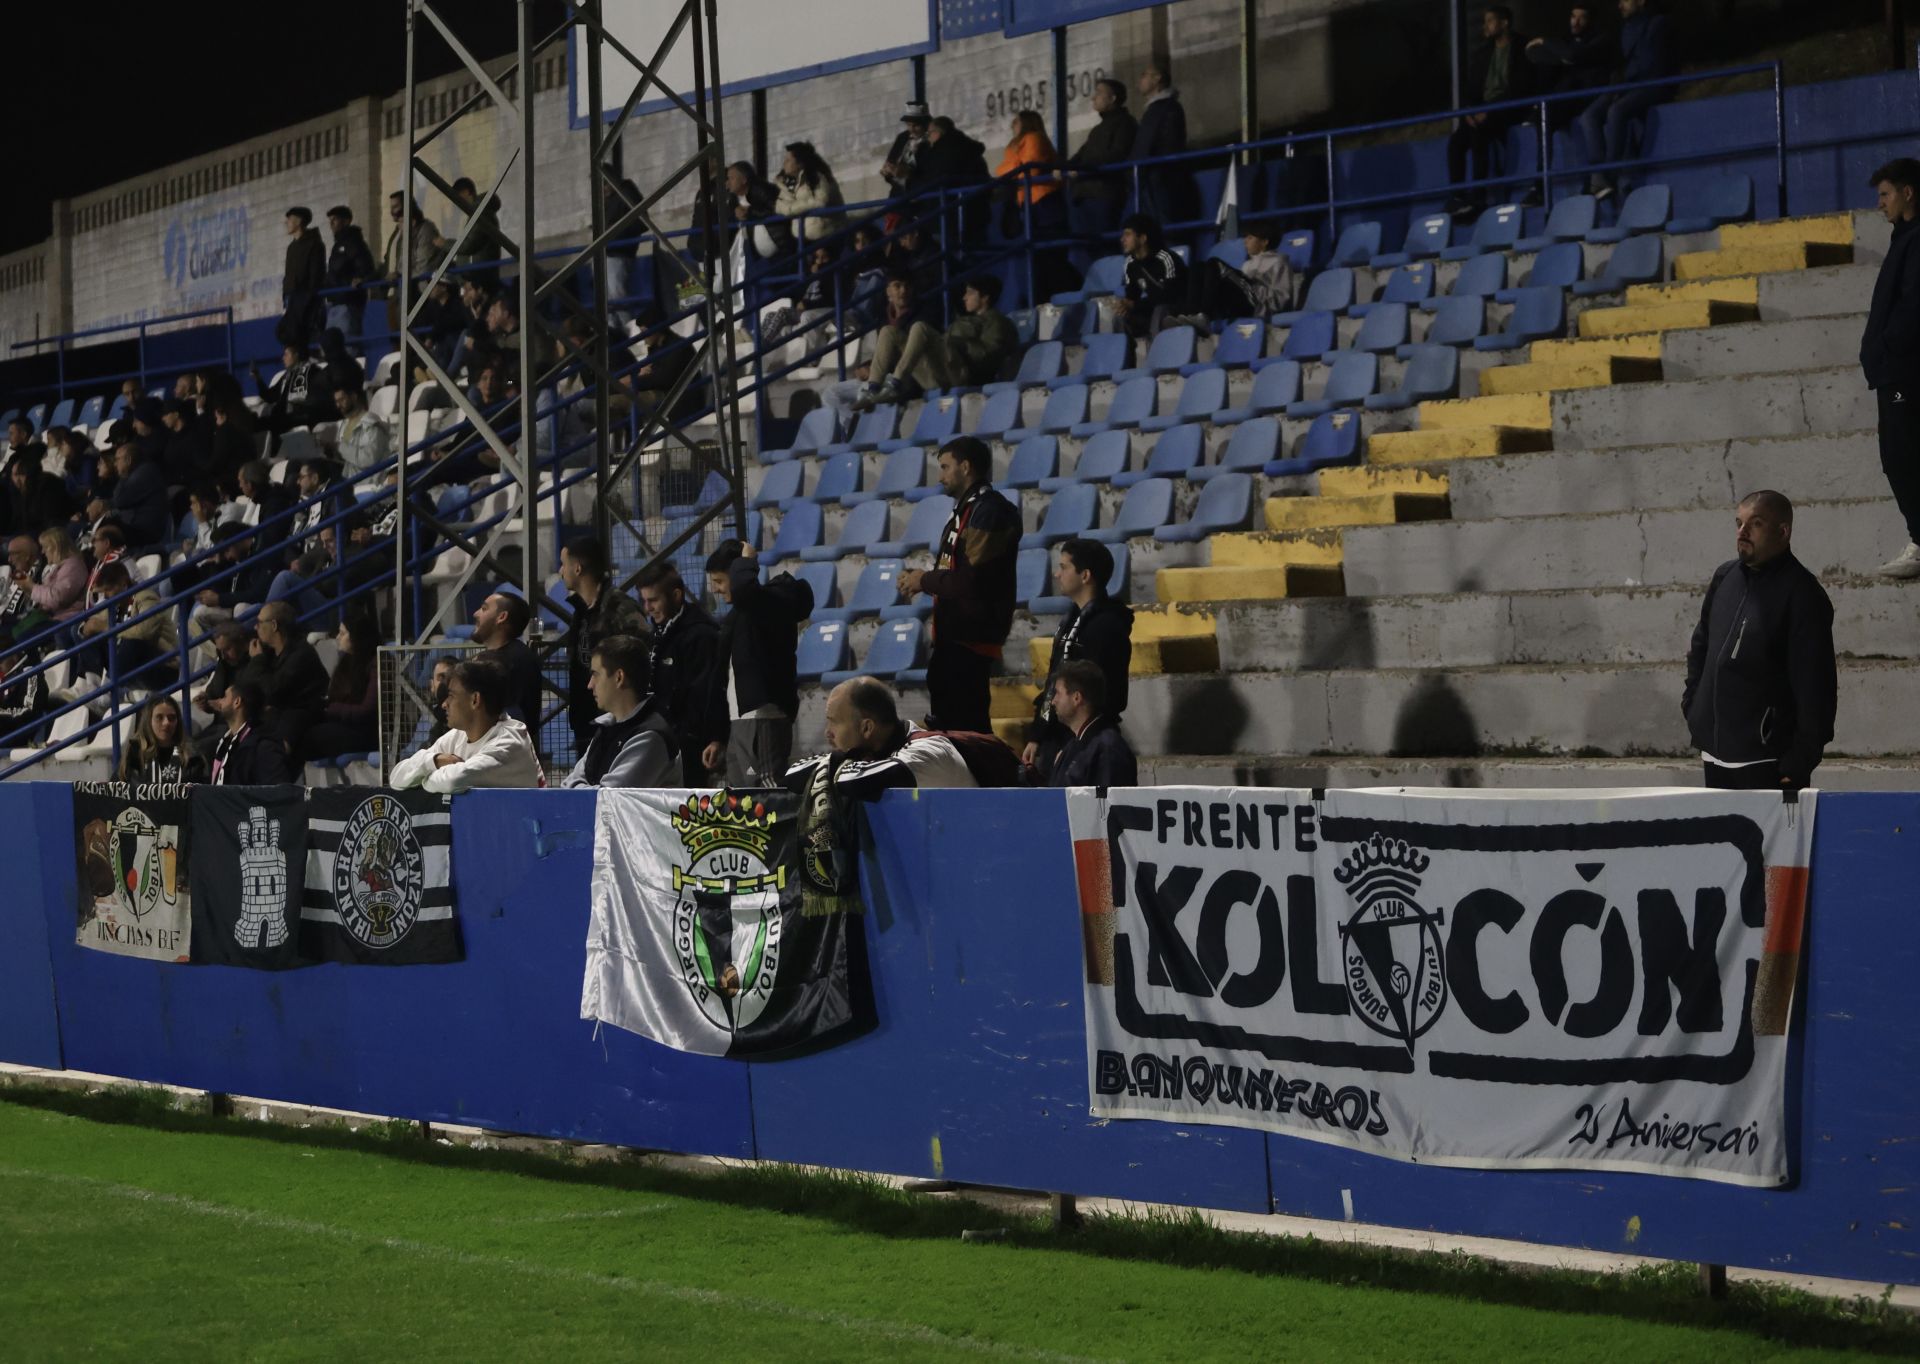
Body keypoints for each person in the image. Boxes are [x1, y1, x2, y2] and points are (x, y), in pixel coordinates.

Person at [1681, 491, 1836, 792]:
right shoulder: (1725, 576)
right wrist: (1694, 706)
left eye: (1756, 524)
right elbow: (1701, 646)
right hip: (1713, 754)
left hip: (1766, 762)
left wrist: (1799, 762)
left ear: (1782, 531)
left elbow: (1816, 688)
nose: (1742, 532)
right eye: (1739, 523)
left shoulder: (1803, 595)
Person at [898, 437, 1019, 734]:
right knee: (951, 727)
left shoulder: (989, 510)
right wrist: (922, 578)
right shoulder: (968, 509)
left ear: (965, 467)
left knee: (967, 732)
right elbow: (957, 571)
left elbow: (972, 580)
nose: (940, 476)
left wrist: (924, 580)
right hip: (955, 637)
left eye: (945, 467)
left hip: (971, 639)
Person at [702, 539, 812, 786]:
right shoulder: (738, 615)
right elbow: (723, 677)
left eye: (719, 581)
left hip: (763, 719)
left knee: (766, 796)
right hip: (739, 722)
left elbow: (744, 590)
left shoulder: (769, 601)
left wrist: (747, 561)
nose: (716, 590)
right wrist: (718, 736)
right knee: (741, 800)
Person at [1024, 538, 1134, 780]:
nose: (1056, 574)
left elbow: (1105, 691)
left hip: (1084, 738)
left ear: (1085, 576)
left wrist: (1076, 742)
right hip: (1059, 735)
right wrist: (1038, 734)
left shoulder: (1108, 626)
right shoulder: (1069, 622)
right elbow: (1053, 683)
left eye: (1063, 567)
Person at [1860, 157, 1920, 580]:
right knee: (1899, 455)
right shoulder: (1904, 238)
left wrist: (1885, 348)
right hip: (1894, 368)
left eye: (1885, 194)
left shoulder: (1917, 239)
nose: (1880, 204)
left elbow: (1914, 307)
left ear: (1907, 193)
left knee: (1901, 456)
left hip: (1905, 369)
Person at [787, 676, 982, 799]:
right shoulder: (875, 748)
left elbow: (853, 782)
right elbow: (793, 777)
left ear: (866, 728)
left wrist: (836, 762)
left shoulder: (927, 751)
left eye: (834, 722)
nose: (827, 732)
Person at [849, 274, 1016, 409]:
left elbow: (989, 355)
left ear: (985, 297)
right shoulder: (963, 320)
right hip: (940, 374)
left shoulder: (997, 322)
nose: (965, 297)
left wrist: (957, 345)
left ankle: (895, 383)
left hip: (963, 375)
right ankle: (873, 387)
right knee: (888, 332)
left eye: (970, 292)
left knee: (920, 327)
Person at [389, 658, 544, 792]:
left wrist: (422, 779)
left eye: (451, 696)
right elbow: (396, 777)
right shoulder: (457, 735)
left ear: (475, 700)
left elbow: (453, 781)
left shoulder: (510, 741)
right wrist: (435, 760)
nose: (444, 704)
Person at [1446, 6, 1538, 216]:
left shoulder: (1522, 47)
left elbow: (1521, 87)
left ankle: (1479, 197)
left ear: (1504, 23)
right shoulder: (1483, 52)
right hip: (1482, 110)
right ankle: (1457, 197)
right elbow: (1472, 88)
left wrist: (1491, 109)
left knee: (1480, 134)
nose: (1485, 26)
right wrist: (1469, 110)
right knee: (1457, 141)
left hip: (1509, 107)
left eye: (1490, 21)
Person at [1578, 0, 1675, 199]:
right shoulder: (1625, 28)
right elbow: (1623, 64)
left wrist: (1625, 87)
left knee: (1617, 110)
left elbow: (1653, 66)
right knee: (1589, 115)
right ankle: (1598, 174)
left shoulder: (1658, 23)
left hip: (1652, 85)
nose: (1620, 5)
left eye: (1625, 1)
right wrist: (1619, 85)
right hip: (1628, 85)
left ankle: (1608, 175)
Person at [637, 562, 723, 786]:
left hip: (691, 748)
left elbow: (707, 692)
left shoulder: (701, 635)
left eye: (653, 600)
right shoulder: (658, 632)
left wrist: (712, 738)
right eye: (644, 601)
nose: (648, 608)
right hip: (662, 741)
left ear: (676, 595)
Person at [559, 536, 648, 745]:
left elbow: (641, 660)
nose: (561, 571)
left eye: (563, 565)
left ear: (578, 568)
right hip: (586, 721)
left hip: (615, 723)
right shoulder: (581, 612)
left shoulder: (619, 608)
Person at [562, 633, 677, 788]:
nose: (590, 685)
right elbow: (568, 785)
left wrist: (578, 791)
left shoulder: (651, 736)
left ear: (619, 677)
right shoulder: (608, 726)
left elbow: (609, 800)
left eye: (595, 675)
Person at [300, 614, 380, 763]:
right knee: (299, 727)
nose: (337, 637)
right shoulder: (347, 661)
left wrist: (333, 709)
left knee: (312, 737)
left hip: (367, 732)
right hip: (345, 725)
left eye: (342, 633)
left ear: (357, 636)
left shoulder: (378, 663)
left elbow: (368, 710)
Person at [1046, 660, 1137, 788]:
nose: (1053, 701)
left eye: (1058, 693)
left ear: (1076, 698)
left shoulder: (1108, 747)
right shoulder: (1072, 746)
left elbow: (1106, 804)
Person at [1181, 220, 1295, 323]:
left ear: (1264, 241)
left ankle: (1204, 316)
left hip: (1257, 305)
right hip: (1243, 301)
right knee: (1199, 266)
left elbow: (1283, 298)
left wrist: (1256, 288)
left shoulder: (1279, 261)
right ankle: (1192, 314)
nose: (1245, 241)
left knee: (1214, 263)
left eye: (1250, 238)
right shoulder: (1247, 264)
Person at [254, 599, 330, 753]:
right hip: (285, 713)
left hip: (304, 713)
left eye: (260, 622)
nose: (256, 627)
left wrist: (257, 660)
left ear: (274, 626)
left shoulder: (301, 654)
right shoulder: (270, 654)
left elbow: (274, 690)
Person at [1526, 4, 1615, 129]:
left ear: (1591, 20)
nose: (1576, 22)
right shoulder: (1567, 39)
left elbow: (1571, 56)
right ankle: (1537, 111)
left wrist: (1543, 41)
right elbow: (1548, 57)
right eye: (1573, 17)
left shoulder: (1601, 40)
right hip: (1567, 96)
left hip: (1589, 96)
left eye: (1582, 18)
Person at [1069, 78, 1140, 235]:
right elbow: (1081, 155)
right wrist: (1061, 168)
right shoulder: (1098, 129)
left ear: (1113, 98)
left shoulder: (1125, 123)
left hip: (1105, 193)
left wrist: (1082, 168)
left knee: (1104, 242)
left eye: (1099, 92)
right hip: (1086, 194)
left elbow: (1117, 154)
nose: (1093, 97)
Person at [471, 589, 543, 726]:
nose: (476, 614)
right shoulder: (517, 655)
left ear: (501, 617)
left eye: (484, 609)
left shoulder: (513, 660)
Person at [1130, 63, 1190, 226]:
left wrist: (1139, 171)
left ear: (1157, 79)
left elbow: (1151, 143)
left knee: (1163, 222)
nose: (1140, 80)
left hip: (1159, 175)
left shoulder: (1164, 108)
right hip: (1153, 174)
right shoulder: (1157, 108)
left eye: (1145, 75)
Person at [1115, 213, 1188, 340]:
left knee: (1159, 311)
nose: (1122, 239)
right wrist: (1125, 304)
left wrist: (1134, 305)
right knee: (1121, 317)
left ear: (1142, 238)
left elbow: (1170, 296)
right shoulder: (1129, 264)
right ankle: (1124, 358)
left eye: (1127, 234)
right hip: (1152, 309)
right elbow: (1132, 296)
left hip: (1176, 312)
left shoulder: (1166, 259)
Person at [210, 680, 296, 786]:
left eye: (224, 696)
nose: (219, 701)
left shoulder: (263, 747)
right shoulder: (226, 743)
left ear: (237, 702)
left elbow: (278, 794)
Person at [119, 694, 206, 785]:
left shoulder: (192, 757)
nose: (166, 723)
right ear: (148, 721)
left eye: (171, 718)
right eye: (159, 717)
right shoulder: (134, 753)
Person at [278, 206, 327, 349]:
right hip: (291, 301)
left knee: (307, 341)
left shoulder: (315, 245)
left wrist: (307, 298)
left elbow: (316, 275)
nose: (286, 223)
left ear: (298, 221)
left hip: (306, 302)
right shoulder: (291, 248)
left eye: (289, 220)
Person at [774, 142, 844, 243]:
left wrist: (791, 209)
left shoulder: (817, 177)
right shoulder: (788, 182)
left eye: (788, 160)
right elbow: (780, 205)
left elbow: (820, 201)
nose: (784, 163)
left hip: (823, 236)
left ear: (799, 163)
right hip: (801, 238)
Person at [324, 205, 377, 336]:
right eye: (330, 220)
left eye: (335, 219)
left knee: (347, 343)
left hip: (348, 303)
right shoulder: (338, 245)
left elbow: (366, 269)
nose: (331, 223)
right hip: (335, 302)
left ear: (346, 221)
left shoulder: (354, 243)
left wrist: (361, 279)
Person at [106, 439, 169, 549]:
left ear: (129, 460)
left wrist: (122, 476)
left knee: (107, 530)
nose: (115, 464)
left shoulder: (143, 473)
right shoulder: (138, 472)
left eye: (117, 460)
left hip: (146, 532)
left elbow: (120, 500)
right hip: (137, 527)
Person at [4, 455, 70, 537]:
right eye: (15, 475)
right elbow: (17, 522)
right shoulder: (18, 492)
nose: (18, 480)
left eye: (22, 474)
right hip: (28, 535)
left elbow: (51, 522)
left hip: (49, 536)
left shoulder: (47, 486)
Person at [881, 102, 934, 200]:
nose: (912, 129)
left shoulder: (933, 140)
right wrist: (888, 171)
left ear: (926, 125)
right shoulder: (902, 138)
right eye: (909, 125)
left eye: (916, 126)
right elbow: (891, 160)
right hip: (899, 195)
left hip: (922, 196)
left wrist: (907, 173)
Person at [30, 527, 86, 619]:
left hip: (67, 619)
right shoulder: (61, 566)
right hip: (54, 617)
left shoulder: (73, 566)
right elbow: (47, 603)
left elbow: (58, 599)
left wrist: (31, 587)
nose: (43, 552)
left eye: (45, 547)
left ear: (56, 547)